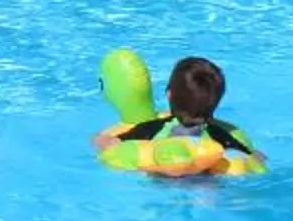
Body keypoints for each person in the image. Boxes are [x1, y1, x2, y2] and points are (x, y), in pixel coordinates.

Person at [91, 54, 264, 177]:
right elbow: (254, 157)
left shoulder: (153, 128)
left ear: (169, 95)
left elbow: (112, 144)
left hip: (163, 177)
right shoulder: (219, 135)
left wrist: (98, 138)